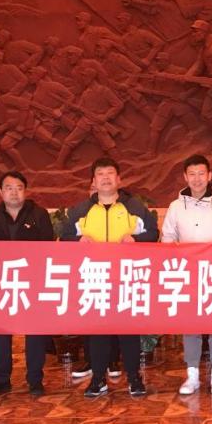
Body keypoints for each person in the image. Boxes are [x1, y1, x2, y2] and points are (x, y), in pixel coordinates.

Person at [59, 157, 159, 398]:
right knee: (98, 333)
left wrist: (136, 239)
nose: (105, 178)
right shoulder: (81, 210)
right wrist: (78, 240)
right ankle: (98, 379)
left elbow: (153, 233)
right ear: (93, 181)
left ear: (119, 179)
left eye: (110, 173)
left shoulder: (134, 207)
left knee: (129, 332)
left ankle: (134, 378)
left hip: (126, 278)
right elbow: (65, 238)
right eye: (100, 174)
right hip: (95, 279)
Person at [161, 154, 212, 395]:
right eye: (192, 174)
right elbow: (167, 237)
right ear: (185, 177)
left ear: (209, 176)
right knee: (191, 325)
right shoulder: (176, 207)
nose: (197, 179)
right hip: (188, 273)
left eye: (201, 174)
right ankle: (192, 375)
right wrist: (173, 246)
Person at [0, 171, 56, 397]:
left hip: (33, 281)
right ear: (1, 192)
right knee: (1, 333)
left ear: (25, 191)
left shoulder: (39, 214)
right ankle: (0, 380)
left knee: (35, 332)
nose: (14, 192)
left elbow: (48, 247)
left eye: (19, 188)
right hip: (2, 282)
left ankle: (35, 380)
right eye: (9, 188)